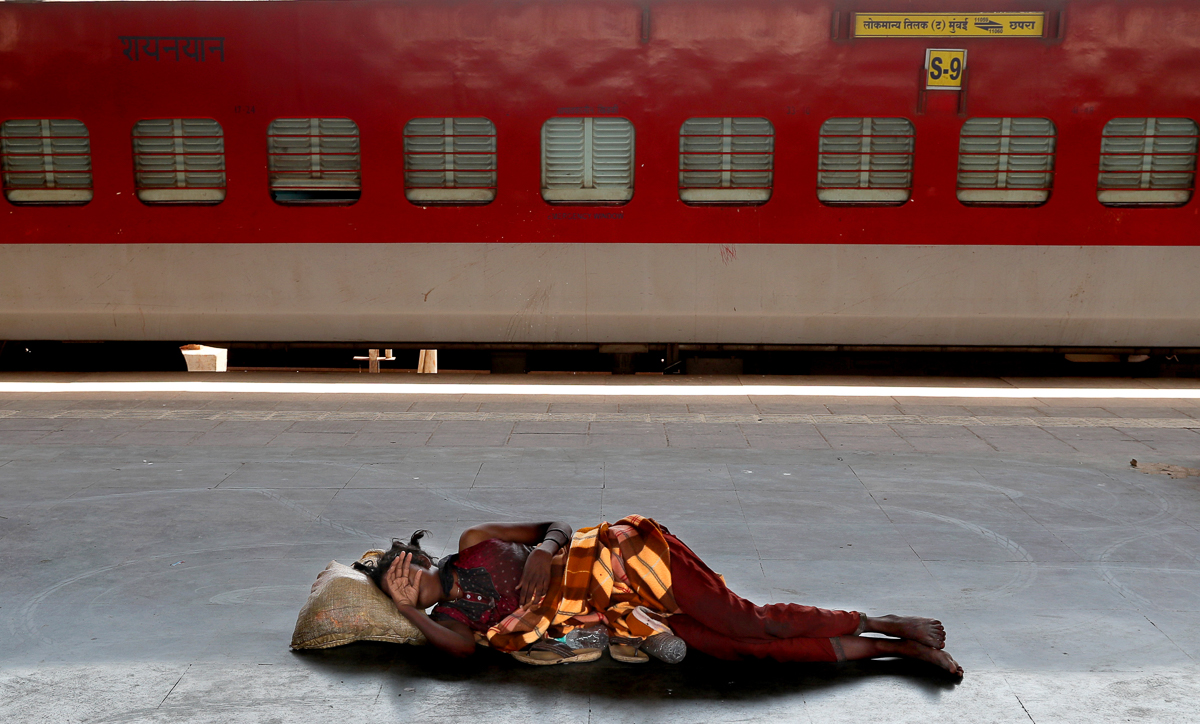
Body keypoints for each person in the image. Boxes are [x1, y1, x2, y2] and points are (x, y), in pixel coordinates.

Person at [354, 516, 963, 677]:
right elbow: (461, 653)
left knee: (748, 623)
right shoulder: (455, 622)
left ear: (422, 553)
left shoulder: (475, 540)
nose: (404, 578)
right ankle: (896, 653)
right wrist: (410, 613)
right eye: (396, 588)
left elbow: (556, 526)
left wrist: (543, 550)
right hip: (628, 616)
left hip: (632, 559)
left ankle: (884, 620)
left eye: (404, 565)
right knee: (741, 652)